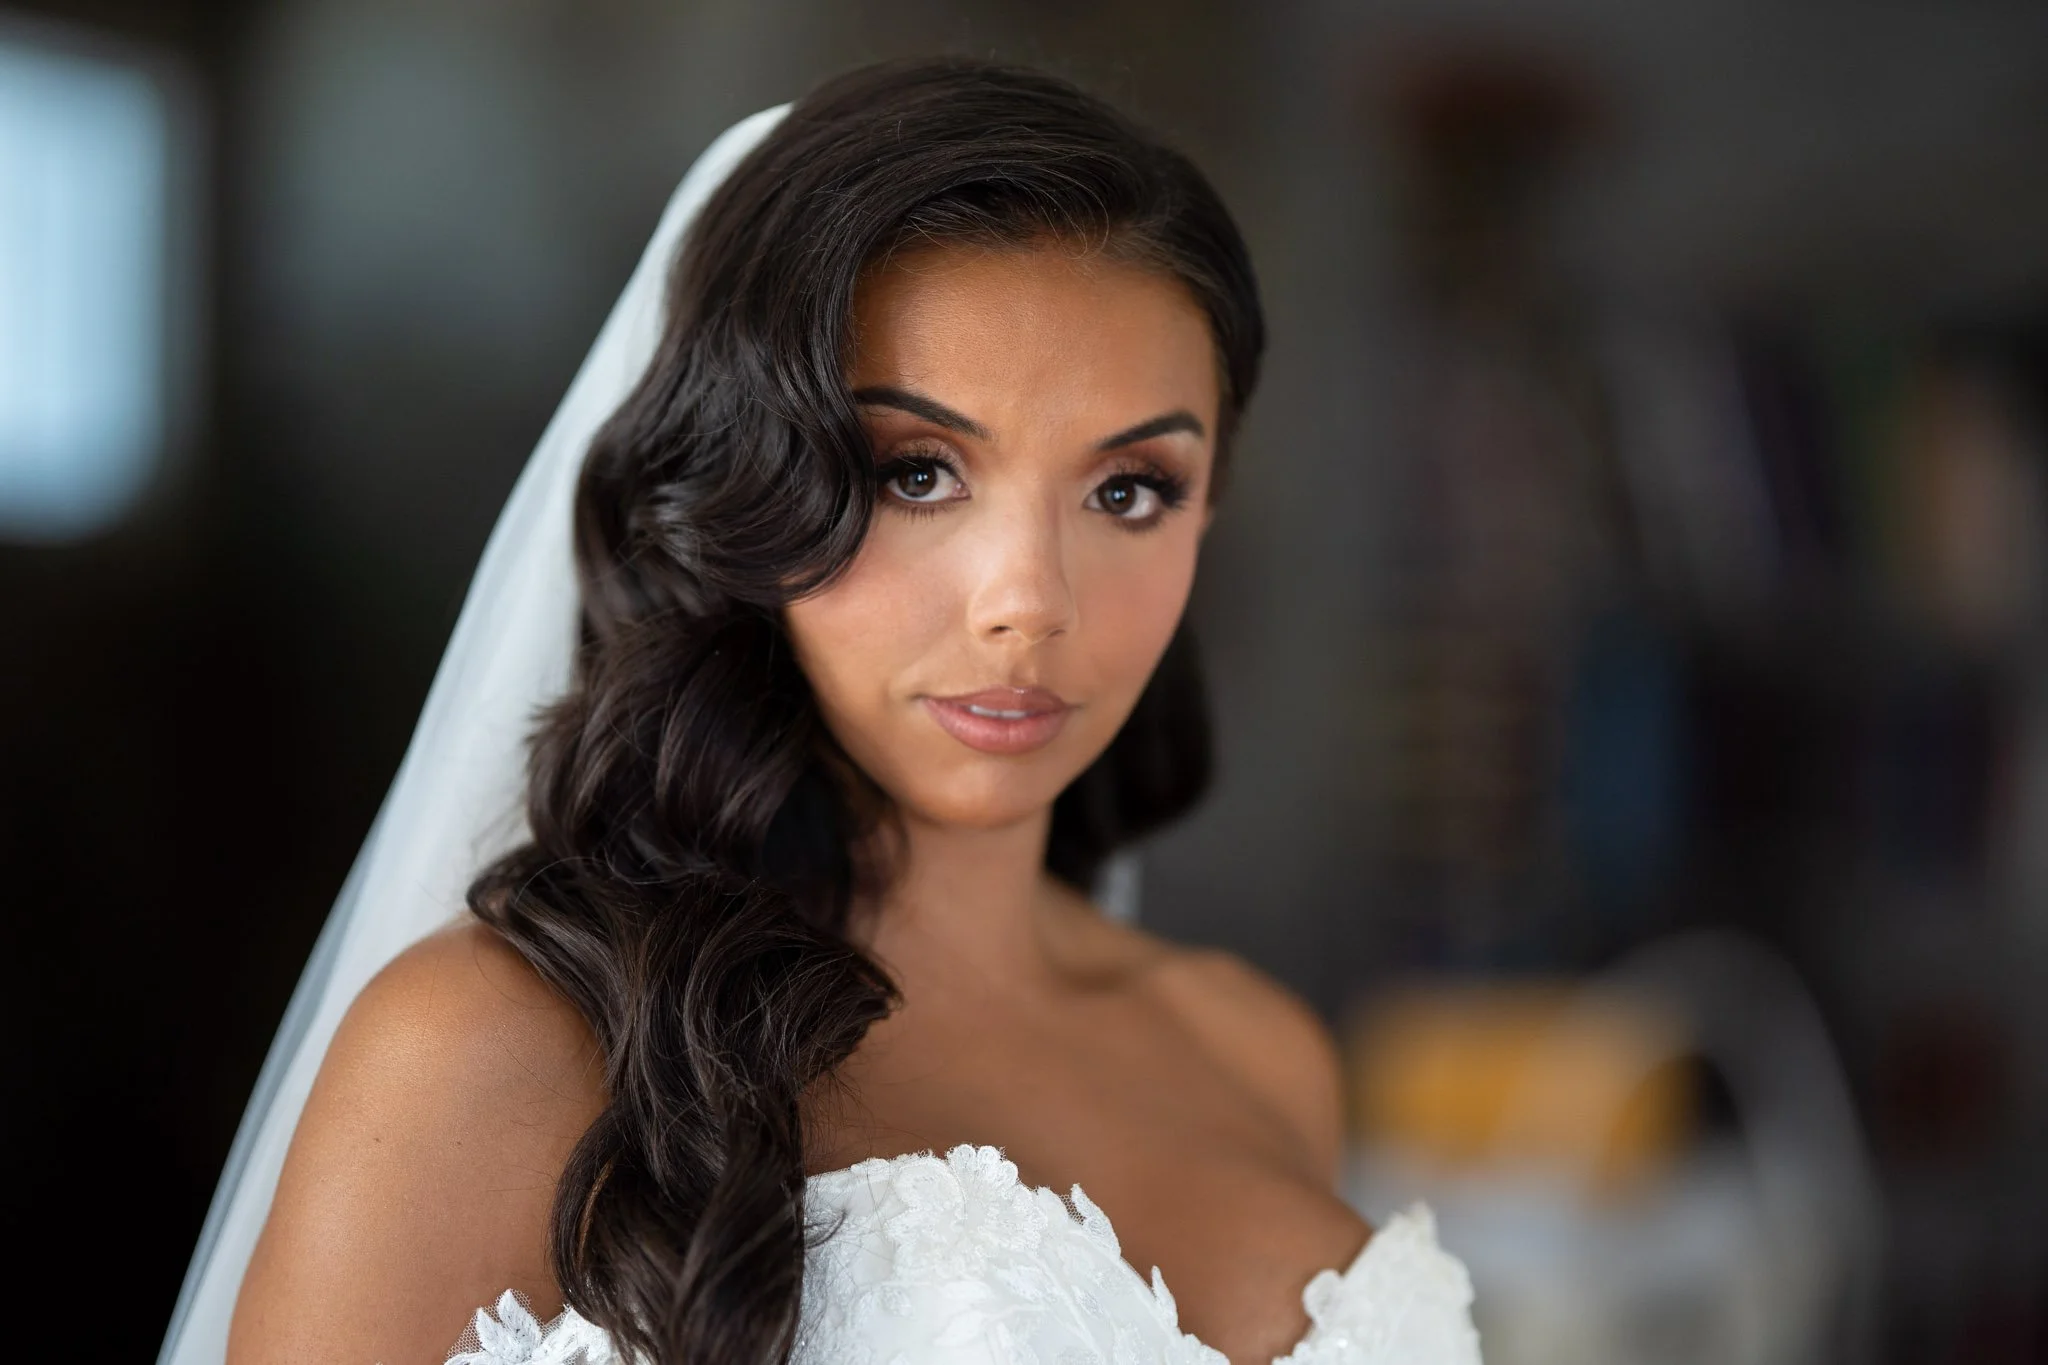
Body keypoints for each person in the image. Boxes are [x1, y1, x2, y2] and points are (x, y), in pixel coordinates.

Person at [188, 59, 1482, 1365]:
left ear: (1209, 510)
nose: (1026, 604)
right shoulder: (492, 1059)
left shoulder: (1260, 1058)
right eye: (916, 472)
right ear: (750, 490)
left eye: (1129, 489)